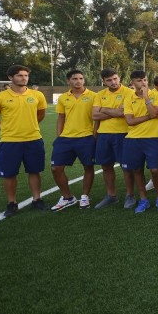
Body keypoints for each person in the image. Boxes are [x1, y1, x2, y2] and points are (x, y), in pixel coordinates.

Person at [0, 65, 48, 217]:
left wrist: (30, 126)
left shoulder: (37, 95)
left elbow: (40, 115)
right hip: (9, 141)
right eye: (20, 75)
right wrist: (7, 129)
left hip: (34, 139)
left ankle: (37, 199)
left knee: (34, 171)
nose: (24, 78)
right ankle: (12, 203)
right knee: (9, 174)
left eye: (26, 75)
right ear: (10, 78)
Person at [49, 69, 97, 212]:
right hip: (66, 138)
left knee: (88, 167)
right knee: (56, 168)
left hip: (86, 137)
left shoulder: (94, 96)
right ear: (68, 81)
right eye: (75, 78)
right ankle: (67, 197)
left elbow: (97, 118)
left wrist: (94, 135)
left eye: (81, 78)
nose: (78, 81)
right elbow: (61, 118)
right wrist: (59, 136)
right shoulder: (63, 98)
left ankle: (85, 196)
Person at [122, 70, 158, 212]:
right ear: (133, 83)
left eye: (145, 80)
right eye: (139, 81)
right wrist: (149, 117)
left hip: (152, 138)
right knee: (136, 169)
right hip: (133, 139)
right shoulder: (129, 98)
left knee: (155, 170)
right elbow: (130, 121)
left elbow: (155, 113)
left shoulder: (157, 96)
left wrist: (147, 97)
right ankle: (143, 199)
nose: (143, 83)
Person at [91, 68, 135, 209]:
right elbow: (94, 115)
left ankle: (130, 195)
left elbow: (123, 112)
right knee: (106, 166)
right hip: (104, 134)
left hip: (124, 134)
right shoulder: (100, 94)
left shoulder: (129, 92)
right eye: (109, 80)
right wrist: (114, 112)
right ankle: (111, 195)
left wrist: (103, 109)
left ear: (119, 78)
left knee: (126, 167)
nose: (113, 82)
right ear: (103, 82)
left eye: (115, 78)